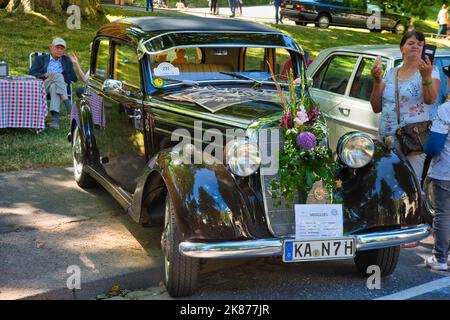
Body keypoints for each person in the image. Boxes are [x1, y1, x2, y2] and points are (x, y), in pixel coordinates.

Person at [370, 30, 440, 186]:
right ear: (402, 48)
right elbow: (376, 107)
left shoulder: (431, 72)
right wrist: (376, 81)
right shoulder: (390, 73)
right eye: (411, 43)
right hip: (386, 140)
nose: (416, 46)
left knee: (409, 187)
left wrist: (426, 77)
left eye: (420, 44)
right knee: (383, 185)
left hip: (412, 142)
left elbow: (430, 100)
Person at [423, 70, 450, 271]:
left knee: (443, 214)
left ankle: (440, 258)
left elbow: (433, 147)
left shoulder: (446, 110)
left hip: (445, 171)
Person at [29, 37, 77, 129]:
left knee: (55, 86)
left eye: (61, 48)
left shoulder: (67, 60)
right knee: (58, 76)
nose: (59, 50)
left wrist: (61, 77)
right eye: (57, 47)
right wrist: (44, 75)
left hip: (58, 86)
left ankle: (55, 120)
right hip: (43, 87)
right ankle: (68, 106)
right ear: (51, 47)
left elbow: (73, 78)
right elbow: (31, 73)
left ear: (64, 50)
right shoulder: (41, 59)